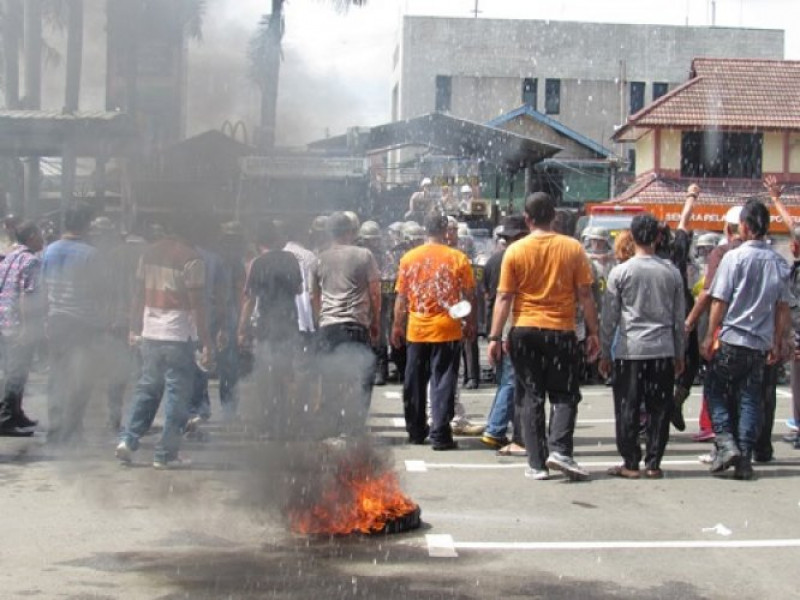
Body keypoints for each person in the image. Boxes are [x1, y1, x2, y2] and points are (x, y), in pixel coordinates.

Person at [487, 192, 599, 481]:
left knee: (530, 396)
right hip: (561, 331)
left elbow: (503, 297)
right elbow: (585, 294)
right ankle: (560, 450)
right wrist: (593, 332)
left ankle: (536, 463)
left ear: (527, 219)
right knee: (564, 394)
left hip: (524, 331)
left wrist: (495, 337)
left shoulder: (515, 250)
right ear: (555, 217)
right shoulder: (572, 248)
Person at [701, 198, 791, 480]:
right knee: (751, 399)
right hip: (760, 343)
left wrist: (708, 336)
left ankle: (726, 441)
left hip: (732, 338)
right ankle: (745, 457)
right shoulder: (778, 260)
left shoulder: (734, 257)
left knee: (716, 390)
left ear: (745, 226)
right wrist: (778, 340)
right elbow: (782, 307)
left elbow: (719, 300)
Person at [116, 214, 211, 469]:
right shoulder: (192, 258)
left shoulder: (148, 254)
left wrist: (133, 327)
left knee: (147, 388)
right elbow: (197, 304)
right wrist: (206, 341)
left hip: (150, 331)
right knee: (176, 395)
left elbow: (137, 294)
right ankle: (165, 454)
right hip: (178, 335)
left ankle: (128, 440)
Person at [599, 214, 685, 479]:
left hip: (630, 349)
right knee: (659, 407)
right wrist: (679, 352)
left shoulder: (621, 272)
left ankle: (631, 461)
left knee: (628, 406)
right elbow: (678, 319)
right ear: (658, 237)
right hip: (663, 348)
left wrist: (605, 352)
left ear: (632, 237)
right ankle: (654, 462)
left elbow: (610, 317)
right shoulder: (671, 271)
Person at [392, 212, 476, 450]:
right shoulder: (457, 257)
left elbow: (401, 298)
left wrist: (396, 326)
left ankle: (416, 431)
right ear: (445, 231)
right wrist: (471, 323)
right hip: (447, 328)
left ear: (425, 230)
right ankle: (440, 433)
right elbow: (470, 296)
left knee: (414, 381)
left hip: (417, 328)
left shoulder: (409, 258)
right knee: (443, 381)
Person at [313, 212, 381, 436]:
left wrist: (320, 319)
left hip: (328, 326)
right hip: (355, 324)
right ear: (350, 232)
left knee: (331, 376)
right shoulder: (364, 255)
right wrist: (375, 322)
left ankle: (332, 425)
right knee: (361, 376)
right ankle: (354, 425)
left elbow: (314, 296)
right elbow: (375, 291)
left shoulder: (320, 257)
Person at [42, 204, 102, 444]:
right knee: (81, 377)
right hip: (82, 322)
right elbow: (98, 291)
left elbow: (43, 287)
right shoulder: (91, 254)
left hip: (57, 320)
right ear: (86, 226)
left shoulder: (49, 250)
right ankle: (73, 429)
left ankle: (55, 429)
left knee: (57, 375)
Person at [238, 220, 302, 436]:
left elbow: (249, 299)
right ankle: (288, 421)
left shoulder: (257, 263)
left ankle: (269, 421)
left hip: (266, 326)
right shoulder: (291, 259)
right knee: (286, 373)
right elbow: (300, 288)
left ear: (258, 243)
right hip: (289, 324)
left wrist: (242, 328)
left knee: (266, 374)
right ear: (278, 239)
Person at [479, 214, 528, 451]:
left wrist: (492, 334)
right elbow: (503, 298)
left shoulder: (492, 262)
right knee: (514, 382)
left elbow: (490, 299)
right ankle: (496, 428)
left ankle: (507, 428)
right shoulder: (522, 258)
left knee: (507, 380)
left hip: (500, 327)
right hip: (515, 326)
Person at [0, 221, 44, 436]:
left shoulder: (9, 257)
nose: (43, 240)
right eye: (40, 235)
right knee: (17, 372)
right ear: (32, 237)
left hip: (4, 323)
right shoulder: (31, 261)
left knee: (12, 370)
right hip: (18, 325)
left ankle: (16, 413)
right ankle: (6, 418)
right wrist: (27, 328)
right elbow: (28, 297)